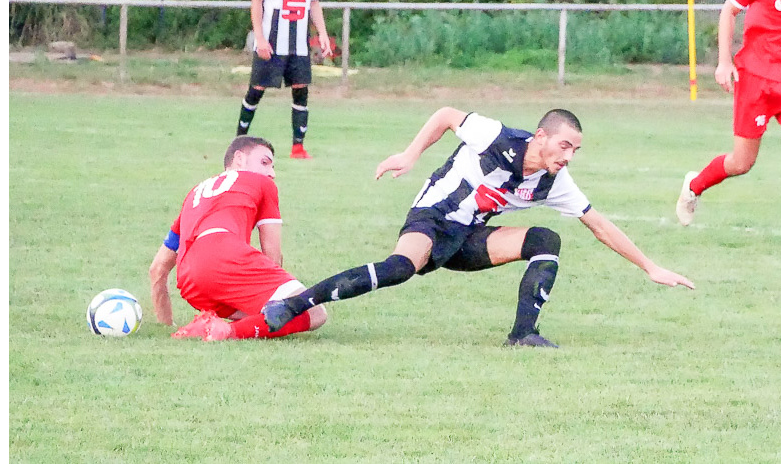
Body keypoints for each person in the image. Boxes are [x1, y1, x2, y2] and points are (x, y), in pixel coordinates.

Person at [261, 108, 694, 347]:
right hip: (431, 219)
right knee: (399, 268)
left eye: (576, 150)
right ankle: (294, 305)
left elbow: (598, 224)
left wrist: (649, 267)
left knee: (546, 239)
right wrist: (410, 155)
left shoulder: (552, 180)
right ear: (541, 136)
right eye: (565, 145)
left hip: (468, 240)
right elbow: (448, 114)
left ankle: (523, 335)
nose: (569, 156)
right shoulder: (500, 138)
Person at [149, 136, 327, 341]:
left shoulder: (195, 194)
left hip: (190, 281)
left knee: (261, 318)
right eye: (264, 163)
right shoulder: (261, 183)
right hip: (224, 257)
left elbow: (157, 269)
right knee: (312, 312)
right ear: (239, 159)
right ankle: (226, 332)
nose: (272, 173)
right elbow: (272, 255)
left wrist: (165, 324)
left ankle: (201, 328)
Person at [676, 0, 781, 226]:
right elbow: (729, 10)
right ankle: (694, 186)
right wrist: (724, 62)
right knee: (742, 163)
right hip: (756, 79)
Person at [235, 0, 333, 159]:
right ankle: (238, 141)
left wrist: (323, 34)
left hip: (298, 44)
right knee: (256, 89)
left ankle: (298, 147)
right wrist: (259, 38)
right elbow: (256, 2)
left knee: (301, 89)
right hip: (271, 42)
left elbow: (314, 3)